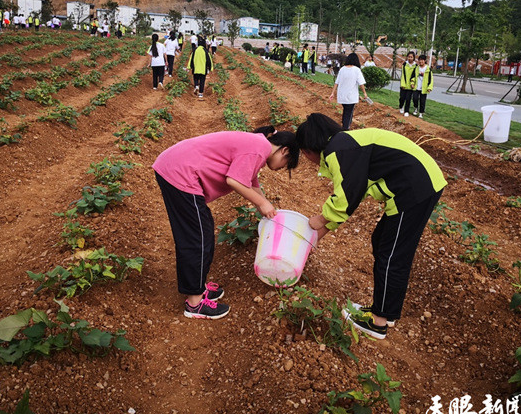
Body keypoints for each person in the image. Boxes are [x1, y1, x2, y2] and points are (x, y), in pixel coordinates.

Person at [296, 113, 446, 339]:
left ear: (307, 150)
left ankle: (379, 322)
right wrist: (317, 237)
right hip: (411, 187)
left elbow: (346, 197)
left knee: (392, 255)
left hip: (415, 189)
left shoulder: (340, 151)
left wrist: (320, 219)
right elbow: (353, 196)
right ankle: (387, 310)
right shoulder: (345, 146)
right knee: (382, 242)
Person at [153, 126, 300, 319]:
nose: (282, 168)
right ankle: (195, 304)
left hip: (175, 167)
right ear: (285, 150)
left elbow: (252, 183)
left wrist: (268, 208)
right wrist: (262, 204)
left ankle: (197, 289)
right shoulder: (259, 148)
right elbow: (235, 181)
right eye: (286, 163)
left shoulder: (258, 146)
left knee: (201, 233)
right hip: (181, 173)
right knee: (197, 237)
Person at [329, 52, 368, 130]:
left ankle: (344, 126)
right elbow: (361, 83)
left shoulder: (342, 69)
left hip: (342, 96)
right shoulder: (357, 70)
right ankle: (346, 129)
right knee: (349, 113)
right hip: (351, 97)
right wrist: (364, 93)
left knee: (346, 111)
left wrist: (332, 93)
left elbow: (337, 82)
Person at [189, 36, 213, 100]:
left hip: (195, 68)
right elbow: (209, 60)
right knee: (202, 81)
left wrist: (189, 67)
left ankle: (196, 86)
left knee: (196, 78)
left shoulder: (194, 50)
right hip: (203, 69)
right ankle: (200, 93)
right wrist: (210, 68)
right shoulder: (206, 51)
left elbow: (191, 59)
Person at [411, 54, 433, 118]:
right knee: (415, 98)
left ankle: (421, 113)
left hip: (424, 88)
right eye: (419, 61)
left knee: (422, 101)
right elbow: (413, 77)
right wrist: (412, 83)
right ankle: (415, 108)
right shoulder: (416, 68)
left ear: (424, 61)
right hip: (416, 87)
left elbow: (431, 79)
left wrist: (429, 87)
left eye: (422, 61)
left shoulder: (428, 69)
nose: (421, 62)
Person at [400, 52, 418, 116]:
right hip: (404, 84)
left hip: (410, 86)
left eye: (411, 57)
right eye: (409, 57)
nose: (410, 58)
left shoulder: (416, 66)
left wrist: (412, 83)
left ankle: (406, 111)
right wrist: (403, 84)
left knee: (408, 99)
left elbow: (415, 76)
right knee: (402, 98)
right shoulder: (404, 64)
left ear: (413, 58)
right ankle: (401, 106)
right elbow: (403, 75)